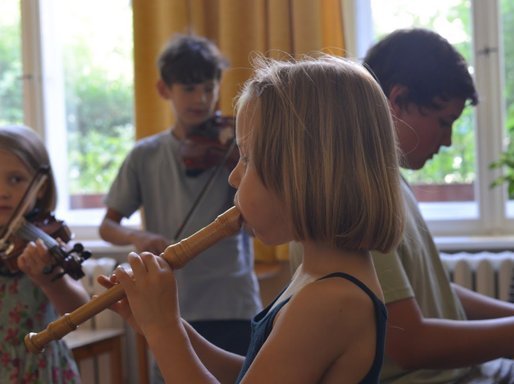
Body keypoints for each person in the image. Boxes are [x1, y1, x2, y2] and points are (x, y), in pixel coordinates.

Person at [289, 28, 514, 384]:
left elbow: (434, 294)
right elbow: (410, 344)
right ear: (398, 101)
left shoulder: (386, 178)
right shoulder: (354, 194)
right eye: (444, 122)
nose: (449, 140)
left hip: (467, 373)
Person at [98, 54, 404, 383]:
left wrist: (164, 330)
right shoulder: (318, 274)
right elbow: (250, 373)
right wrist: (163, 323)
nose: (232, 177)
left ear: (300, 172)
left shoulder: (331, 299)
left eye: (246, 158)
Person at [99, 33, 262, 373]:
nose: (201, 99)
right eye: (189, 89)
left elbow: (260, 221)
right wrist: (137, 238)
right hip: (171, 303)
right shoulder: (144, 155)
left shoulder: (237, 148)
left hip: (233, 300)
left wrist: (244, 163)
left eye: (208, 88)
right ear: (164, 90)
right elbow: (107, 225)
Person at [0, 125, 89, 383]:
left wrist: (50, 280)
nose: (3, 191)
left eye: (16, 179)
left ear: (39, 188)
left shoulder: (45, 242)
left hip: (38, 369)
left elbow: (78, 309)